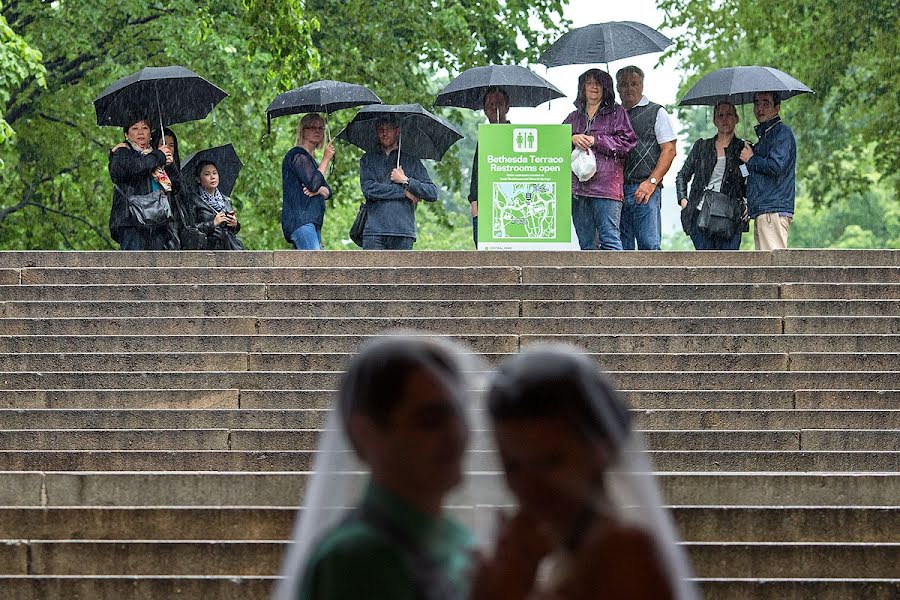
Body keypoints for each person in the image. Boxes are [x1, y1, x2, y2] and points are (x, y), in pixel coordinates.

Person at [471, 345, 699, 600]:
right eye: (512, 467)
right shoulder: (566, 552)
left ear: (602, 449)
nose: (529, 486)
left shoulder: (624, 555)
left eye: (551, 461)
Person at [275, 334, 475, 600]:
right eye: (430, 420)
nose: (456, 435)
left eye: (458, 414)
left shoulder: (461, 540)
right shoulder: (355, 559)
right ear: (365, 435)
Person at [563, 69, 637, 250]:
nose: (594, 87)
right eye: (589, 83)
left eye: (598, 83)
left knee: (610, 239)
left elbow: (628, 143)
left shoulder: (617, 113)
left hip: (606, 188)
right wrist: (571, 138)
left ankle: (615, 279)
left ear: (606, 88)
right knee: (587, 244)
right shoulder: (573, 117)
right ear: (582, 88)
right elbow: (554, 144)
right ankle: (592, 279)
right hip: (578, 189)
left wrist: (597, 140)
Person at [616, 66, 678, 250]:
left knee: (649, 247)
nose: (629, 89)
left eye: (634, 84)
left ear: (642, 86)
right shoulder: (613, 115)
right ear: (617, 88)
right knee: (620, 250)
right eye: (624, 84)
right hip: (616, 191)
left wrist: (651, 182)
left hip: (645, 189)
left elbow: (669, 150)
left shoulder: (656, 112)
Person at [675, 101, 748, 250]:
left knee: (728, 267)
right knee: (704, 266)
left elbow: (750, 181)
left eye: (729, 114)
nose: (724, 119)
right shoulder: (702, 147)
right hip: (701, 215)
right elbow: (682, 175)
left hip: (731, 217)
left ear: (736, 118)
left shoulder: (743, 149)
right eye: (720, 115)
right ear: (714, 120)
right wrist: (684, 202)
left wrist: (748, 203)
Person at [359, 117, 439, 250]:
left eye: (388, 129)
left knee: (401, 272)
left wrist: (406, 180)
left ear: (397, 131)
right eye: (381, 130)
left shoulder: (411, 161)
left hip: (403, 232)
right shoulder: (368, 159)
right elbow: (369, 189)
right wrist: (404, 192)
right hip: (374, 231)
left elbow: (432, 192)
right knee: (372, 271)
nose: (384, 133)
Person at [108, 116, 178, 250]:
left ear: (150, 133)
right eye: (135, 128)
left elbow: (176, 186)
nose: (140, 132)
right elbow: (133, 168)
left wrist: (169, 165)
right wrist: (159, 156)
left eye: (145, 128)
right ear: (126, 134)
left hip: (158, 220)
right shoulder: (122, 151)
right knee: (134, 265)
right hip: (132, 220)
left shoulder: (157, 153)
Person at [740, 91, 797, 250]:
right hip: (764, 210)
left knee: (773, 267)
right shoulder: (766, 136)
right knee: (766, 266)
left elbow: (776, 166)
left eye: (766, 103)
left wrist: (751, 159)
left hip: (772, 209)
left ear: (777, 107)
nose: (760, 108)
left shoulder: (782, 133)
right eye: (757, 103)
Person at [282, 113, 335, 250]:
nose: (317, 130)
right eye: (311, 127)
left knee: (314, 268)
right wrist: (326, 159)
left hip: (312, 223)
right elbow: (314, 184)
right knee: (315, 268)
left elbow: (328, 191)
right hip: (300, 221)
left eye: (320, 128)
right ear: (303, 131)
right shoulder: (297, 155)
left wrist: (319, 190)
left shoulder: (311, 160)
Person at [468, 87, 510, 247]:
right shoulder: (483, 137)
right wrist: (474, 201)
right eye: (490, 104)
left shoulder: (516, 134)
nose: (494, 107)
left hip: (508, 205)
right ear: (484, 110)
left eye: (499, 103)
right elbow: (476, 171)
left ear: (507, 107)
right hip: (484, 207)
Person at [188, 159, 244, 250]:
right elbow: (190, 230)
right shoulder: (194, 200)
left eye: (214, 173)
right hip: (206, 249)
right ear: (198, 179)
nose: (212, 177)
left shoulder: (226, 200)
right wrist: (213, 223)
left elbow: (233, 231)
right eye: (207, 174)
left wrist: (235, 224)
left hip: (227, 247)